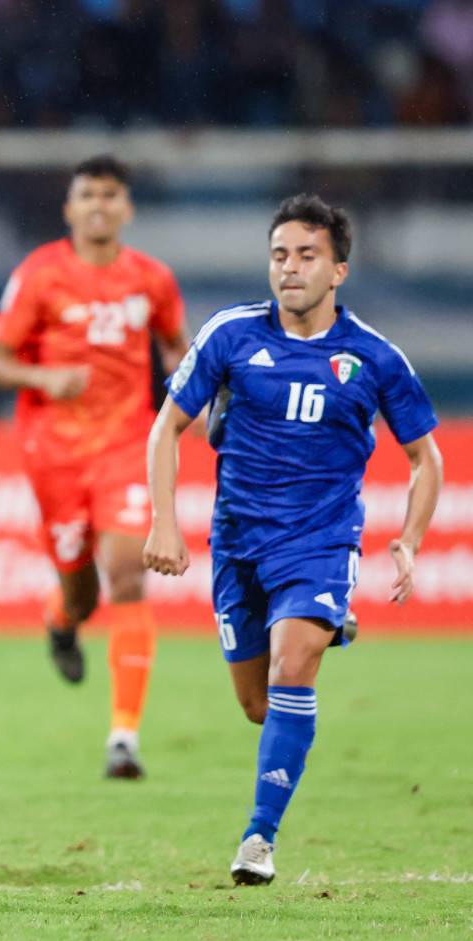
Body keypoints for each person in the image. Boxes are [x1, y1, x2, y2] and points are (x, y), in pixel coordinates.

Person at [144, 194, 442, 885]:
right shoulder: (230, 336)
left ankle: (259, 838)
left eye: (307, 256)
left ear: (338, 270)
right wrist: (164, 520)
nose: (290, 268)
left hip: (320, 538)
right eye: (280, 255)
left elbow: (428, 457)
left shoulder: (372, 357)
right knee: (257, 705)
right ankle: (327, 625)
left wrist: (410, 540)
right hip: (238, 540)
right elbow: (166, 428)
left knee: (290, 669)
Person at [0, 154, 190, 779]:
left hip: (127, 444)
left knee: (127, 573)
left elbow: (178, 348)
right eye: (87, 194)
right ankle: (60, 615)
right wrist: (45, 375)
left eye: (110, 194)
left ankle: (123, 737)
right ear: (69, 209)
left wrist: (196, 394)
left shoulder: (152, 280)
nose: (99, 204)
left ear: (127, 208)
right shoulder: (40, 275)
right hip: (55, 453)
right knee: (83, 591)